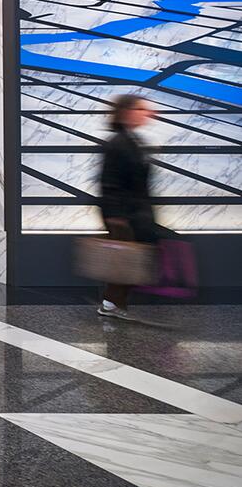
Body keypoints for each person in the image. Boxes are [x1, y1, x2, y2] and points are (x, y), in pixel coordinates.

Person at [97, 93, 160, 319]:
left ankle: (114, 303)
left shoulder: (134, 141)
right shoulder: (118, 143)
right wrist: (115, 216)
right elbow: (108, 182)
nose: (149, 113)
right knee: (125, 260)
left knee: (128, 260)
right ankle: (111, 304)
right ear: (128, 113)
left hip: (135, 212)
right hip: (123, 215)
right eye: (142, 109)